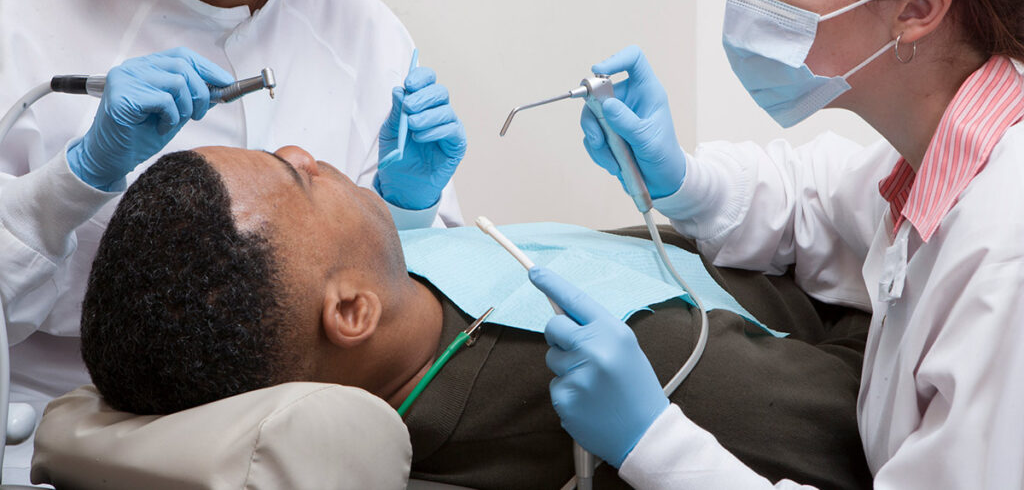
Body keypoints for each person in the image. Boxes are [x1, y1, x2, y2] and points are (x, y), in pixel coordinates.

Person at [530, 0, 1024, 487]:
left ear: (916, 8)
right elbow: (815, 202)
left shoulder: (1006, 257)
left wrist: (655, 442)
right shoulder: (941, 153)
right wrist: (681, 178)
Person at [0, 0, 465, 482]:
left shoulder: (364, 34)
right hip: (66, 437)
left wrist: (411, 211)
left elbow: (399, 323)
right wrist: (76, 179)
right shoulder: (30, 19)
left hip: (306, 449)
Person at [80, 145, 874, 489]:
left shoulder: (416, 285)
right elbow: (875, 424)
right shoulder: (660, 378)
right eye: (299, 179)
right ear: (352, 309)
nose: (308, 151)